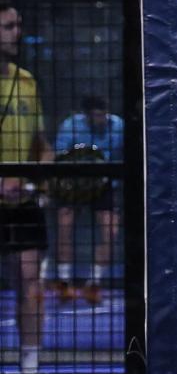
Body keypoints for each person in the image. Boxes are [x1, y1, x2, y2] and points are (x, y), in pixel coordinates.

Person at [0, 3, 52, 374]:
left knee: (31, 281)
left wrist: (42, 176)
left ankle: (30, 370)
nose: (16, 32)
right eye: (8, 26)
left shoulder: (28, 82)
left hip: (23, 203)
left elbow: (41, 144)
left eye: (18, 25)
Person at [49, 95, 124, 305]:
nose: (100, 119)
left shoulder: (119, 126)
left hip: (104, 183)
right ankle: (64, 283)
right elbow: (59, 158)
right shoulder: (70, 126)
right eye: (95, 116)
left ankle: (94, 284)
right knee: (64, 226)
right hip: (73, 183)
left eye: (103, 115)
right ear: (86, 115)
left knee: (110, 231)